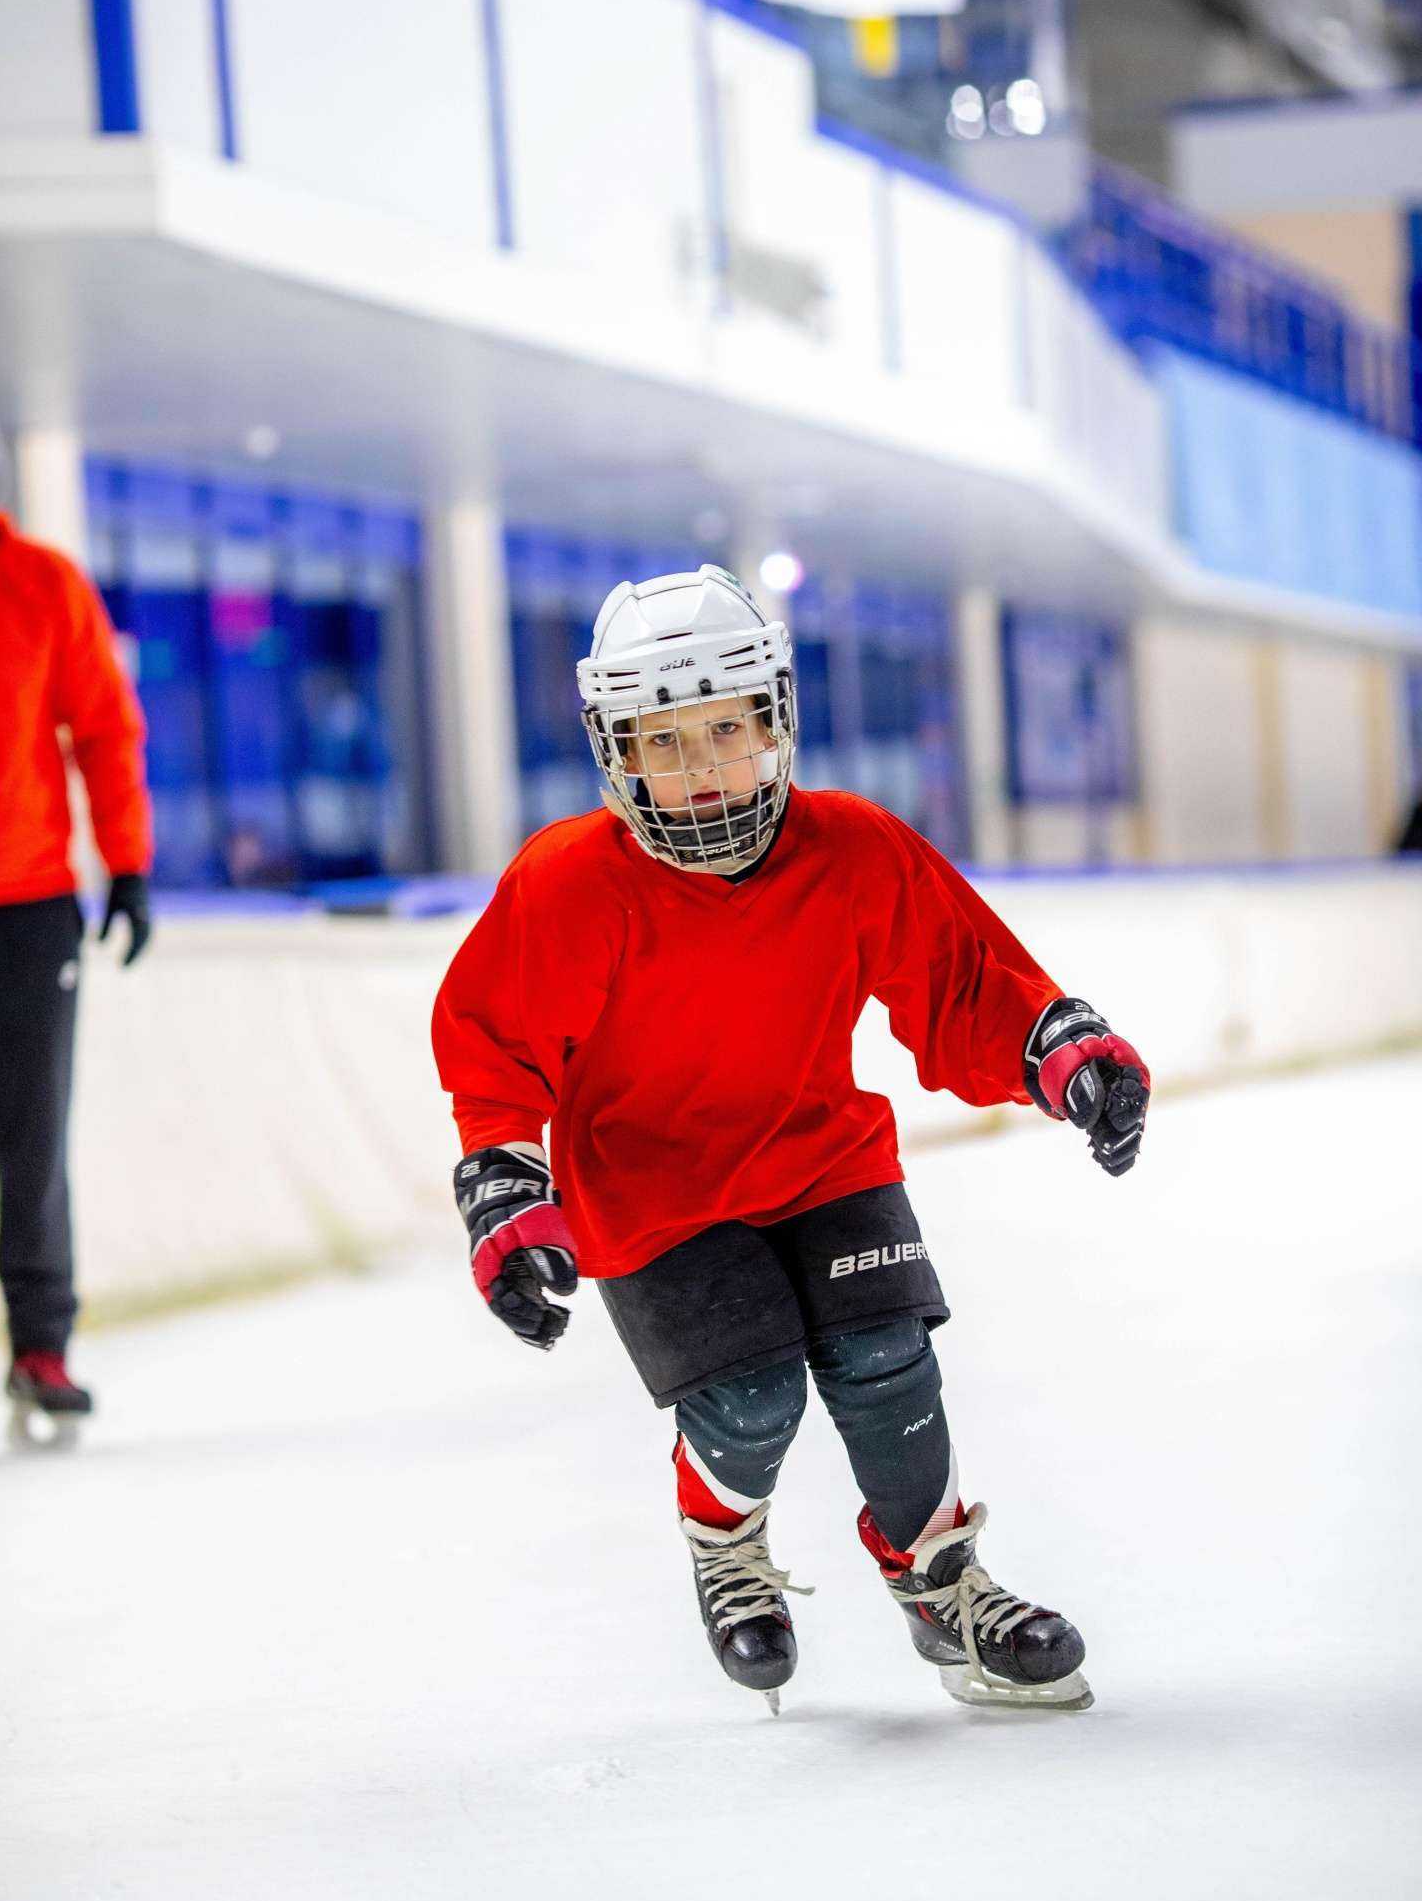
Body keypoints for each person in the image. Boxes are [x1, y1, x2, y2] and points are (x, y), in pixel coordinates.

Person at [432, 566, 1150, 1712]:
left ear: (776, 719)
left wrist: (1066, 1054)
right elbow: (496, 1051)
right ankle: (725, 1542)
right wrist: (507, 1196)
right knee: (753, 1399)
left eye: (726, 728)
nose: (703, 767)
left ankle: (941, 1585)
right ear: (615, 751)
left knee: (886, 1361)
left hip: (824, 1160)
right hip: (651, 1193)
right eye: (664, 742)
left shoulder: (854, 850)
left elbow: (964, 983)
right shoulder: (567, 887)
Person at [0, 409, 153, 1436]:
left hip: (25, 912)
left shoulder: (41, 584)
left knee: (32, 1142)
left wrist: (127, 865)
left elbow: (103, 728)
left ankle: (41, 1346)